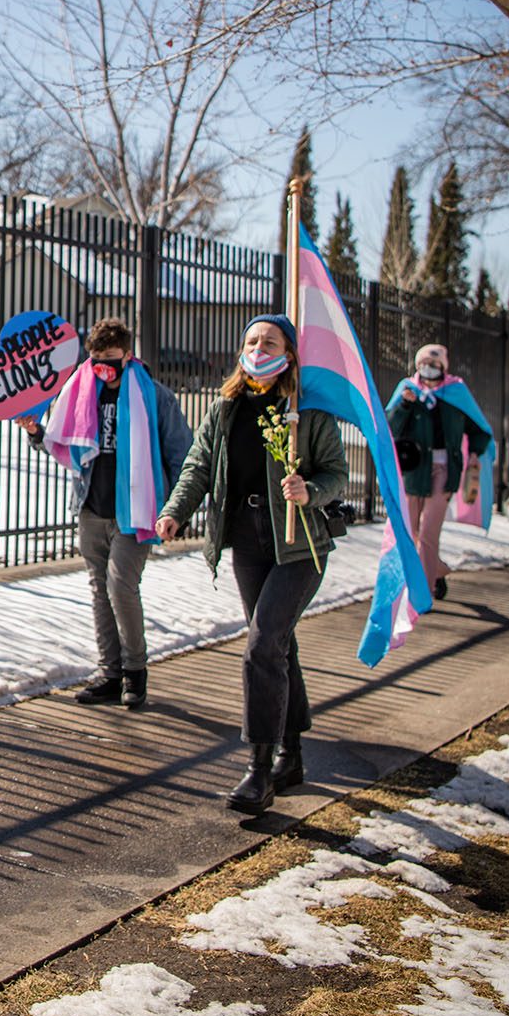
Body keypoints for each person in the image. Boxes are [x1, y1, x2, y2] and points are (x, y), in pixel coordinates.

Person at [154, 314, 348, 815]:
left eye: (270, 341)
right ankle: (293, 754)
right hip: (247, 545)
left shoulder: (307, 412)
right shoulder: (225, 410)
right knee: (278, 644)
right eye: (252, 341)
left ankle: (259, 771)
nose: (259, 348)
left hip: (300, 546)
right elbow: (198, 465)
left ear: (289, 352)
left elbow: (336, 474)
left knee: (262, 645)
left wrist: (311, 490)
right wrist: (176, 510)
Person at [18, 318, 193, 709]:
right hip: (91, 509)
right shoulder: (82, 393)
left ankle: (135, 673)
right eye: (96, 359)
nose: (103, 368)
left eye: (111, 360)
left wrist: (179, 510)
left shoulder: (156, 397)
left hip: (136, 511)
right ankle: (110, 674)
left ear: (128, 356)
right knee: (100, 591)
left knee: (121, 588)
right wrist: (36, 433)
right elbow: (64, 442)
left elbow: (183, 455)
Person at [386, 343, 494, 601]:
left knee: (428, 531)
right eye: (424, 363)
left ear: (443, 368)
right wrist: (404, 405)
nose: (429, 368)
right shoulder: (407, 390)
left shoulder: (456, 393)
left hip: (445, 469)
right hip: (412, 469)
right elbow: (389, 427)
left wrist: (476, 453)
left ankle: (422, 594)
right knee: (410, 531)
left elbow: (480, 430)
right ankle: (437, 569)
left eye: (435, 365)